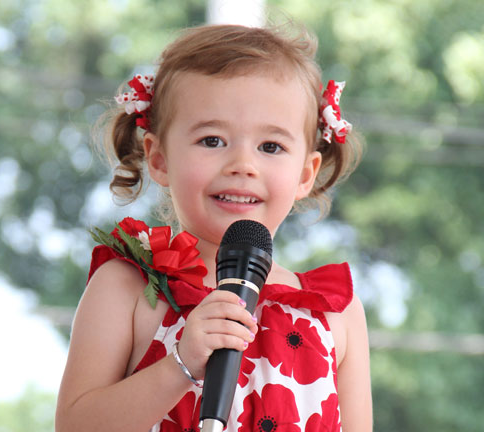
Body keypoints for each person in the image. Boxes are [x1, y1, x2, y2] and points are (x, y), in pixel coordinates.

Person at [56, 22, 372, 432]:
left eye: (271, 147)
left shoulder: (336, 314)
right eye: (212, 140)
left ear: (305, 173)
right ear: (159, 158)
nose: (242, 164)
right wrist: (179, 366)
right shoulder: (126, 288)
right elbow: (75, 426)